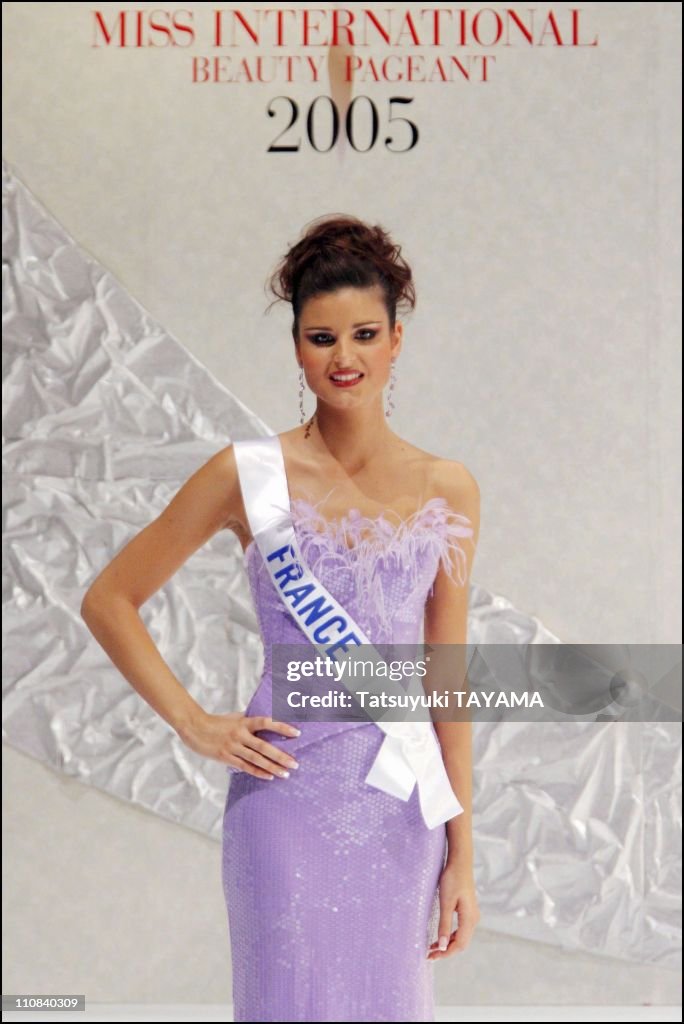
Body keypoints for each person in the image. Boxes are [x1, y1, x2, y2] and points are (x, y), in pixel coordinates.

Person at [80, 213, 481, 1022]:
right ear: (297, 346)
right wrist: (196, 724)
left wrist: (462, 855)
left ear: (397, 339)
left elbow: (450, 685)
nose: (344, 357)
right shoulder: (248, 474)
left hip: (399, 807)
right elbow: (109, 599)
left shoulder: (449, 487)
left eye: (365, 333)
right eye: (321, 337)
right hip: (284, 803)